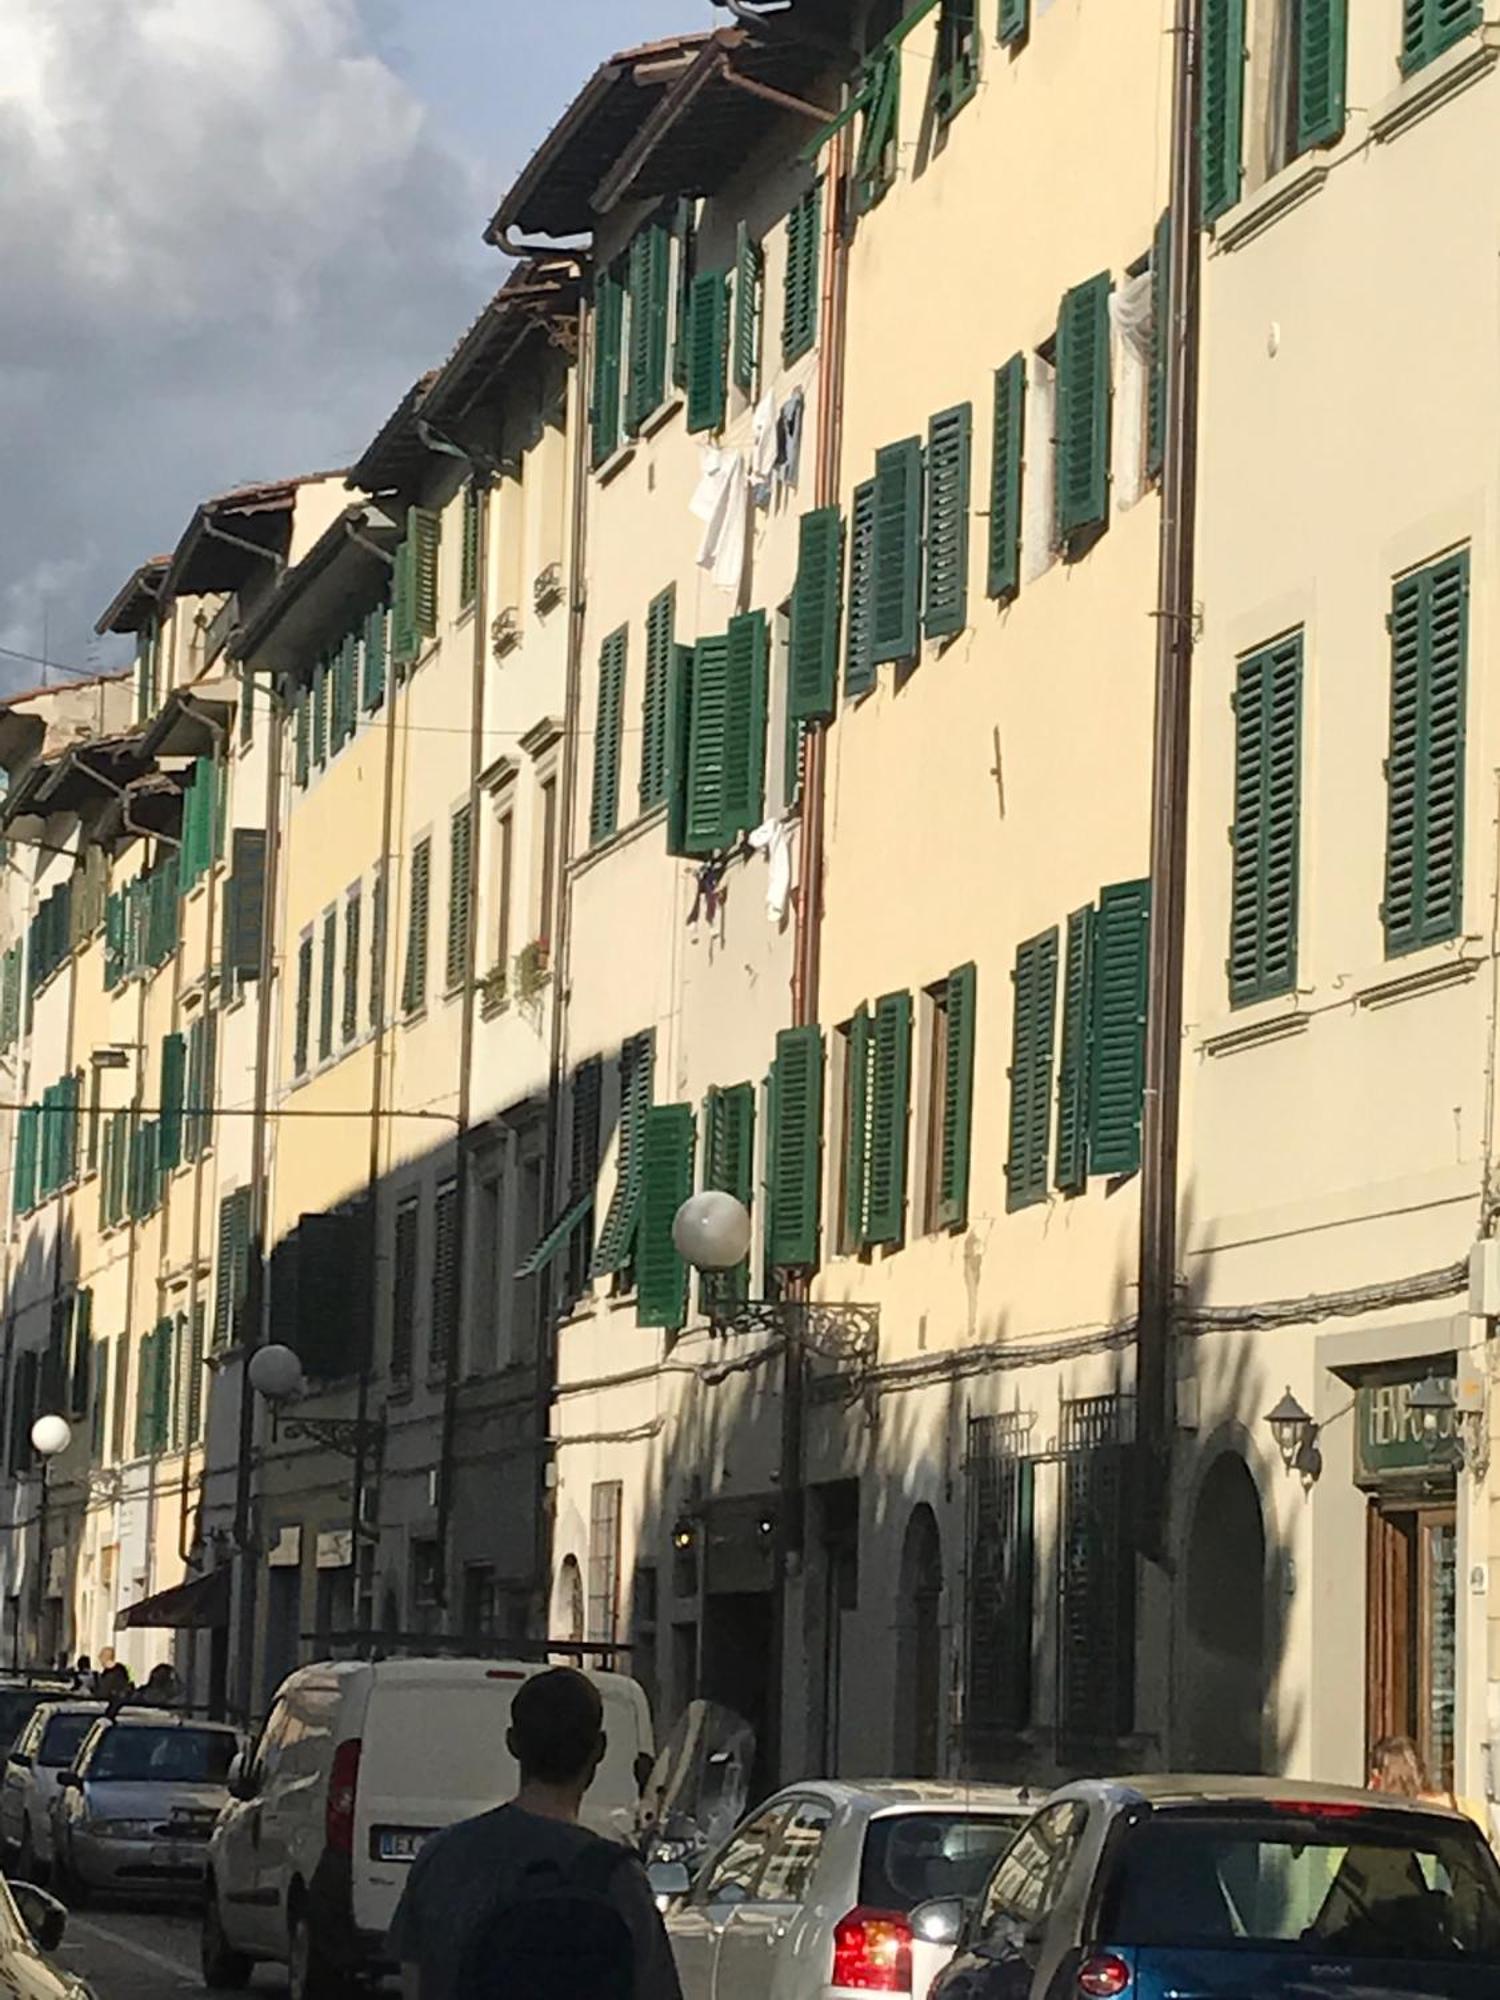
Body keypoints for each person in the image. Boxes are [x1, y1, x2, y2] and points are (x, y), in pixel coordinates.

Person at [389, 1666, 682, 2000]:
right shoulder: (619, 1880)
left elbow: (414, 1983)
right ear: (599, 1749)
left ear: (512, 1743)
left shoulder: (440, 1858)